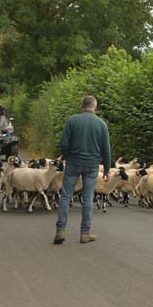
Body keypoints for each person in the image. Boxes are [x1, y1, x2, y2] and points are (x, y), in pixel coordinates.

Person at [54, 95, 111, 244]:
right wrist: (106, 169)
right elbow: (106, 149)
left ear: (82, 106)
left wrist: (66, 156)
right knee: (87, 197)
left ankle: (60, 230)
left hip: (73, 161)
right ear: (95, 107)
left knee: (66, 195)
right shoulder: (101, 124)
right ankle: (85, 233)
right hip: (92, 164)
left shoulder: (72, 120)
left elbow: (64, 142)